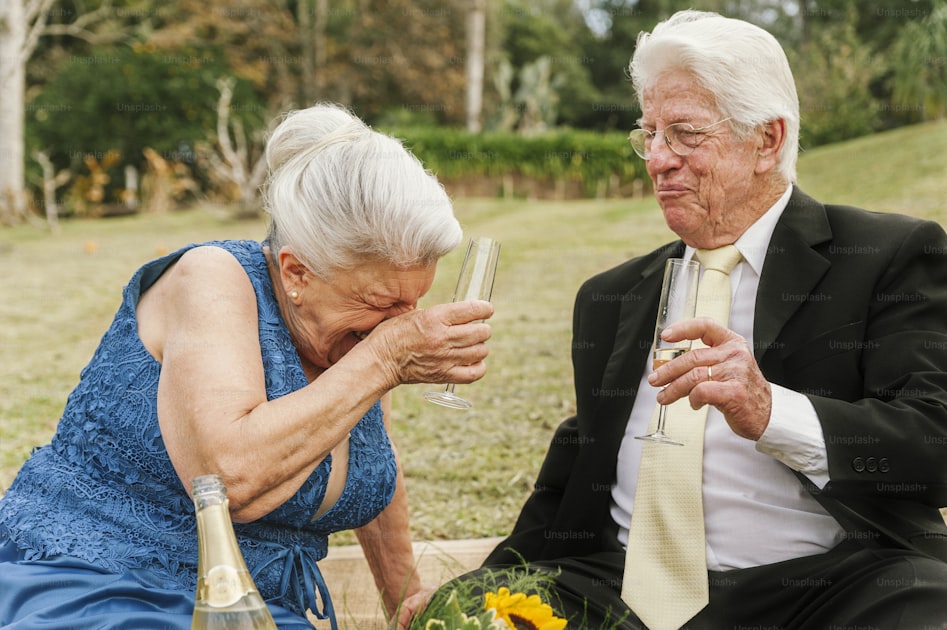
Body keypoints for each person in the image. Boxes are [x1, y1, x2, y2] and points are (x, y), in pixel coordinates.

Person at [423, 10, 947, 630]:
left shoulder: (885, 256)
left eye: (685, 134)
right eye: (649, 133)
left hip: (824, 588)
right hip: (621, 591)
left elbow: (931, 440)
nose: (657, 159)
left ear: (769, 141)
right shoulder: (610, 296)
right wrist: (477, 589)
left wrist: (770, 410)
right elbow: (577, 467)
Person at [0, 103, 494, 629]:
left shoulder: (359, 341)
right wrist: (387, 356)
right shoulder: (212, 278)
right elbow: (227, 481)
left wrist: (406, 600)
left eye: (413, 302)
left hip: (251, 609)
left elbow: (375, 460)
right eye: (381, 303)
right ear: (297, 272)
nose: (403, 323)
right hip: (99, 584)